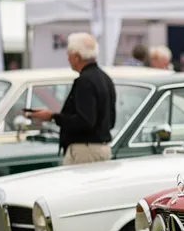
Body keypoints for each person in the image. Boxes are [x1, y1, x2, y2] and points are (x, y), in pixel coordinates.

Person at [28, 33, 117, 165]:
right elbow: (111, 121)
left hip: (85, 150)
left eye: (69, 54)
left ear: (76, 57)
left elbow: (85, 121)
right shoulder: (105, 78)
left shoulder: (85, 81)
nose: (68, 58)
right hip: (101, 147)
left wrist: (53, 116)